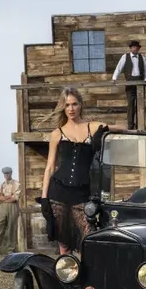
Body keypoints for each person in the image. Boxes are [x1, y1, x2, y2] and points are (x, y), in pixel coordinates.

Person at [38, 87, 113, 255]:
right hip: (59, 193)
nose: (71, 109)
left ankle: (88, 281)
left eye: (74, 104)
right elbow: (50, 166)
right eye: (67, 105)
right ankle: (67, 280)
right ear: (63, 108)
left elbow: (120, 128)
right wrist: (44, 198)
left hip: (82, 194)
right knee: (64, 245)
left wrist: (139, 132)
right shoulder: (57, 134)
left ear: (80, 105)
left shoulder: (92, 127)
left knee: (88, 240)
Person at [111, 40, 146, 130]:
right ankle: (130, 126)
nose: (135, 49)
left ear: (138, 48)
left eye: (136, 47)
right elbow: (118, 68)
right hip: (130, 83)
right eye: (133, 47)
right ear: (131, 48)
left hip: (140, 83)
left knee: (140, 105)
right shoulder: (125, 57)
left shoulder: (142, 57)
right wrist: (114, 78)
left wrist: (145, 80)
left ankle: (140, 126)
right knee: (131, 105)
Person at [0, 167, 20, 256]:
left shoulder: (16, 184)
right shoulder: (1, 185)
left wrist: (4, 198)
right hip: (2, 207)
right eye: (5, 174)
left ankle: (11, 250)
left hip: (12, 207)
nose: (6, 175)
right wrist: (8, 197)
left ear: (11, 174)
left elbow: (15, 199)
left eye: (8, 173)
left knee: (11, 228)